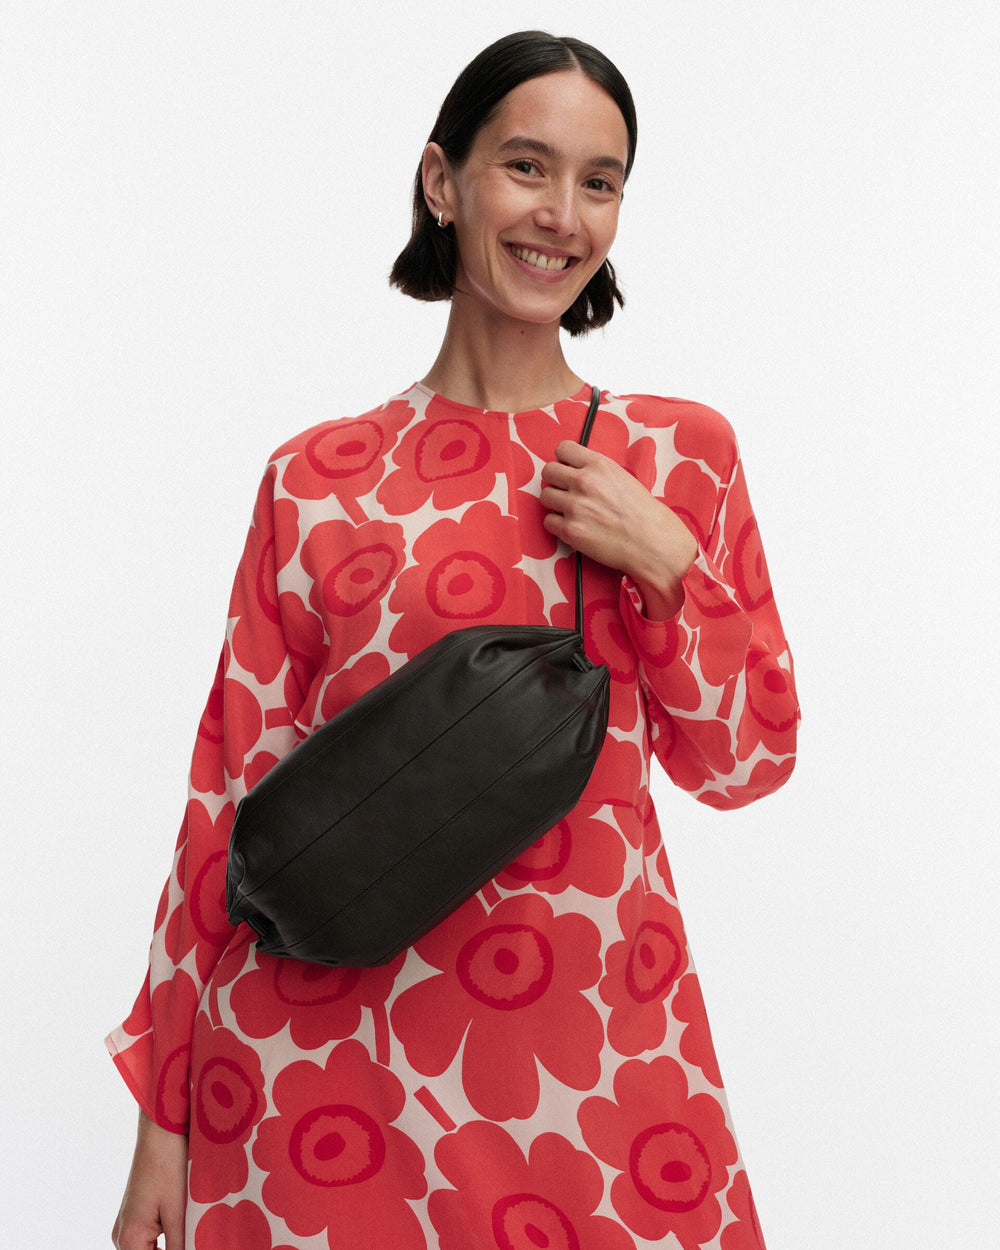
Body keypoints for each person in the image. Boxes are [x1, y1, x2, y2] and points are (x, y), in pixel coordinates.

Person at [109, 30, 798, 1250]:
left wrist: (666, 565)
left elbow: (746, 762)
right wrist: (162, 1117)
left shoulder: (677, 454)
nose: (562, 214)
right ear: (443, 181)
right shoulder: (316, 477)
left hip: (593, 1068)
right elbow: (227, 793)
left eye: (599, 181)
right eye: (527, 166)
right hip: (325, 1065)